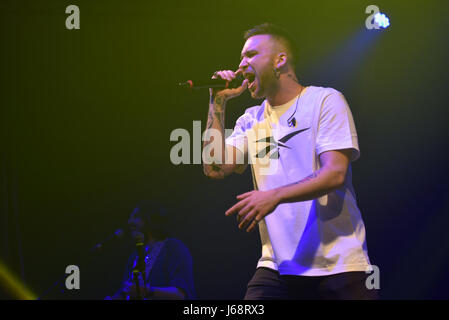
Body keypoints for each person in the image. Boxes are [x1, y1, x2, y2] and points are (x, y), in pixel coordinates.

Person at [203, 23, 378, 300]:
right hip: (277, 266)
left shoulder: (324, 100)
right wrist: (217, 101)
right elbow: (214, 168)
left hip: (339, 263)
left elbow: (334, 173)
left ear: (279, 60)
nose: (240, 66)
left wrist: (274, 196)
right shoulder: (250, 119)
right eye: (240, 58)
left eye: (250, 55)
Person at [106, 201, 196, 300]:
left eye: (136, 216)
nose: (129, 222)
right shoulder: (134, 257)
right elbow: (125, 292)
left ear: (150, 218)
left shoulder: (173, 247)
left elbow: (180, 294)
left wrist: (147, 291)